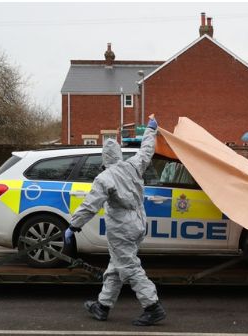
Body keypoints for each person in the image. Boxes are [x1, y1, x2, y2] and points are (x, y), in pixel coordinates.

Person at [64, 115, 166, 326]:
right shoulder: (133, 165)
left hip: (121, 227)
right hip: (138, 222)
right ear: (119, 154)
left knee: (128, 266)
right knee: (117, 266)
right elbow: (147, 150)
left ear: (104, 158)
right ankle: (102, 306)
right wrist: (150, 129)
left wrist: (73, 225)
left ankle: (152, 307)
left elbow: (90, 205)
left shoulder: (105, 178)